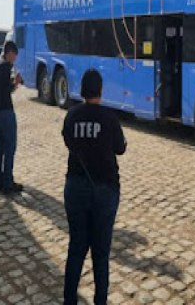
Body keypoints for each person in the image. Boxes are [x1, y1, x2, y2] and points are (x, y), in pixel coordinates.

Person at [62, 69, 127, 305]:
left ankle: (69, 300)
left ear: (82, 90)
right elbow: (120, 148)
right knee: (101, 254)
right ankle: (100, 301)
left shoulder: (71, 115)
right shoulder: (109, 118)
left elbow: (69, 141)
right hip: (105, 190)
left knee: (76, 248)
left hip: (76, 187)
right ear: (100, 90)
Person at [0, 41, 23, 193]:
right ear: (10, 52)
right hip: (5, 111)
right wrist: (15, 83)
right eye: (14, 56)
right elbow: (6, 89)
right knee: (10, 147)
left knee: (0, 145)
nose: (14, 59)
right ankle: (8, 182)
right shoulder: (5, 66)